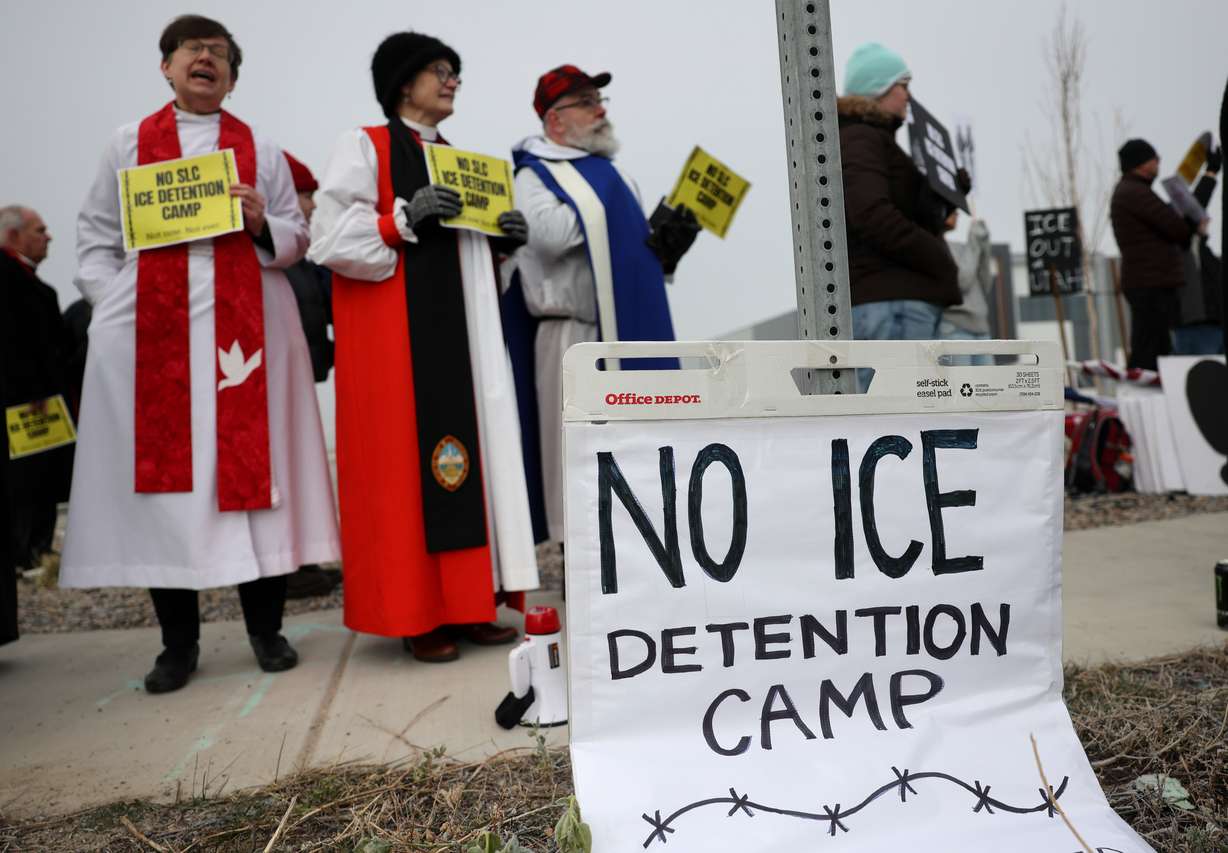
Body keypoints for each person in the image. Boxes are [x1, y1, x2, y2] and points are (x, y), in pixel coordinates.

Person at [61, 15, 341, 693]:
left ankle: (266, 630)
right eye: (193, 49)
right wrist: (115, 304)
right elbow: (96, 238)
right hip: (155, 340)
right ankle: (176, 646)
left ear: (232, 78)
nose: (206, 58)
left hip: (246, 337)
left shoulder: (261, 149)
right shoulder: (128, 144)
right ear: (167, 66)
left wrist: (262, 222)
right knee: (170, 496)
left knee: (256, 483)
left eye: (219, 53)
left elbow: (298, 236)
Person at [309, 31, 539, 662]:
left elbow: (469, 267)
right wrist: (400, 218)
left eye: (454, 70)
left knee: (476, 459)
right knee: (407, 473)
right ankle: (418, 612)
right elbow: (329, 239)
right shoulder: (366, 145)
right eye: (439, 70)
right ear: (403, 83)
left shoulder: (463, 163)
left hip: (464, 342)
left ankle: (471, 604)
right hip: (402, 345)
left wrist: (501, 242)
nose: (452, 79)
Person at [505, 64, 700, 545]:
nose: (600, 111)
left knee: (633, 446)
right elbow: (548, 236)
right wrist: (604, 202)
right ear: (555, 120)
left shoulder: (613, 176)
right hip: (568, 333)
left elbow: (624, 256)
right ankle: (575, 550)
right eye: (587, 102)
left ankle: (641, 540)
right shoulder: (534, 174)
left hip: (622, 330)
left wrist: (664, 248)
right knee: (574, 449)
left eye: (600, 101)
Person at [837, 44, 960, 351]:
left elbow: (907, 212)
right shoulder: (861, 139)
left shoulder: (874, 140)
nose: (908, 96)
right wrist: (937, 256)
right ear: (878, 88)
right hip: (892, 305)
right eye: (903, 85)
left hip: (897, 304)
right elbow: (871, 214)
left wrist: (946, 191)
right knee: (898, 385)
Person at [281, 152, 341, 599]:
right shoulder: (279, 259)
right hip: (278, 385)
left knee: (302, 471)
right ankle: (289, 565)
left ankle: (303, 560)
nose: (312, 204)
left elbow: (328, 303)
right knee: (285, 473)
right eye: (305, 194)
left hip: (303, 379)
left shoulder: (303, 257)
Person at [1, 205, 72, 573]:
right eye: (39, 230)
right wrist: (32, 391)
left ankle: (36, 549)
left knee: (40, 478)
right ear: (14, 235)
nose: (49, 237)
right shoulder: (9, 280)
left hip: (41, 406)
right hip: (23, 405)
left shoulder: (34, 285)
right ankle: (25, 552)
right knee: (25, 480)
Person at [1109, 138, 1207, 370]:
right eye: (1155, 158)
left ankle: (1145, 386)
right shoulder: (1136, 193)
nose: (1158, 163)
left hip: (1148, 281)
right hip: (1151, 283)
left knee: (1152, 344)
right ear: (1141, 163)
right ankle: (1142, 389)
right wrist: (1192, 220)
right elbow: (1176, 228)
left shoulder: (1132, 191)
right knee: (1150, 348)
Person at [1174, 144, 1224, 355]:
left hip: (1214, 326)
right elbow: (1193, 209)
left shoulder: (1205, 252)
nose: (1207, 219)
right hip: (1198, 327)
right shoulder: (1186, 245)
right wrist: (1210, 173)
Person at [939, 217, 995, 364]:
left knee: (989, 379)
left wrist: (984, 246)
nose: (956, 214)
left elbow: (985, 284)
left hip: (981, 330)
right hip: (954, 329)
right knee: (960, 380)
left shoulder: (962, 247)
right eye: (952, 210)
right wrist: (974, 243)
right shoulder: (937, 247)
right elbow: (962, 281)